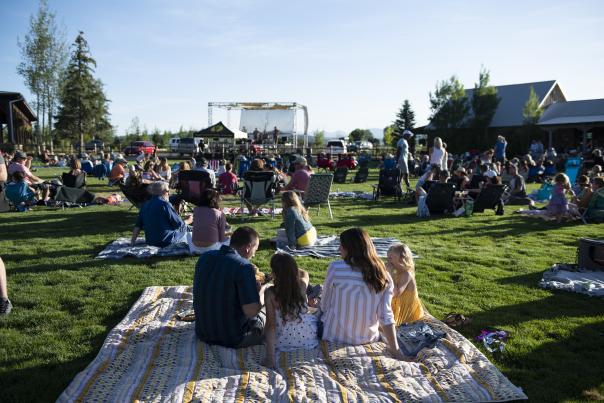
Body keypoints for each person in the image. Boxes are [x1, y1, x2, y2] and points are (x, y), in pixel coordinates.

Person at [320, 228, 404, 359]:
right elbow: (386, 316)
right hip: (367, 338)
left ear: (350, 249)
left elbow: (324, 305)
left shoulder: (335, 268)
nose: (338, 250)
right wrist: (396, 350)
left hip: (334, 335)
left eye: (341, 246)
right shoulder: (384, 276)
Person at [193, 226, 267, 348]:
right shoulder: (244, 267)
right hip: (233, 338)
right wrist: (262, 292)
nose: (254, 255)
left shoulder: (204, 257)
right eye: (255, 249)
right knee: (267, 310)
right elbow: (251, 311)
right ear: (248, 247)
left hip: (203, 332)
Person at [262, 253, 319, 368]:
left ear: (274, 273)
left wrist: (270, 357)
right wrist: (289, 268)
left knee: (265, 323)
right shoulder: (302, 285)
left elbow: (271, 325)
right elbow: (304, 273)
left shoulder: (270, 293)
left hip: (282, 340)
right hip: (307, 338)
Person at [131, 181, 192, 247]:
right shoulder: (165, 204)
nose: (169, 193)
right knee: (192, 230)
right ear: (164, 191)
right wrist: (189, 220)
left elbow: (138, 226)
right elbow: (179, 225)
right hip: (167, 241)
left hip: (150, 242)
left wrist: (132, 242)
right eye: (168, 191)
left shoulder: (145, 205)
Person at [386, 243, 424, 325]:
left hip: (406, 309)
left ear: (401, 259)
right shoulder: (398, 272)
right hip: (398, 303)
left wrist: (391, 274)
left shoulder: (406, 274)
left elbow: (396, 293)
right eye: (387, 258)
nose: (388, 261)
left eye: (390, 258)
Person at [190, 189, 229, 254]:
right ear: (215, 200)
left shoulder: (196, 210)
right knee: (232, 240)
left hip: (195, 247)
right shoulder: (219, 214)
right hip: (212, 248)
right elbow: (221, 238)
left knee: (189, 234)